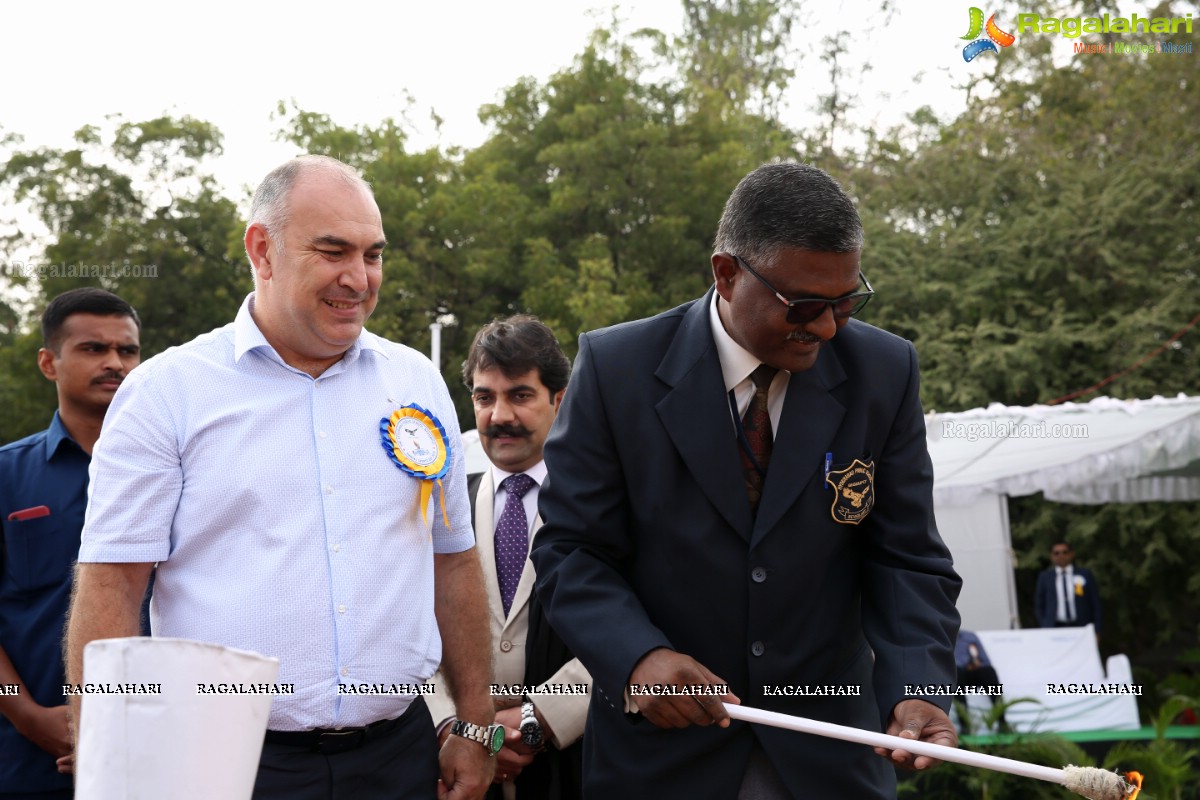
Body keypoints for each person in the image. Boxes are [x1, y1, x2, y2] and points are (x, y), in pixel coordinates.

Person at [65, 155, 496, 800]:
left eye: (373, 255)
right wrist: (110, 770)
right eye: (332, 251)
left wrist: (476, 723)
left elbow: (453, 562)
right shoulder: (166, 393)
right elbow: (111, 588)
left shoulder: (415, 382)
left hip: (399, 756)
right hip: (221, 763)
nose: (358, 278)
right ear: (262, 250)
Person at [530, 162, 962, 798]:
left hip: (831, 759)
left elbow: (907, 558)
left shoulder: (884, 372)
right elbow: (571, 550)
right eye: (806, 306)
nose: (826, 328)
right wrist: (639, 657)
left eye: (846, 303)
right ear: (726, 274)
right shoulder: (616, 369)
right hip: (662, 764)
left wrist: (918, 686)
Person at [427, 315, 588, 800]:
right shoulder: (442, 509)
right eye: (484, 397)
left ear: (558, 400)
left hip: (571, 770)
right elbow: (410, 625)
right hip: (457, 772)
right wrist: (451, 727)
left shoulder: (599, 508)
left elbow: (633, 623)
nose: (499, 415)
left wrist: (537, 722)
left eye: (519, 395)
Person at [0, 287, 141, 799]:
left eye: (127, 350)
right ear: (48, 363)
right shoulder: (6, 475)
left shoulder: (178, 474)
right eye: (93, 348)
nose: (114, 363)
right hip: (33, 759)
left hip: (159, 745)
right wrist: (27, 713)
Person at [1034, 539, 1102, 635]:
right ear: (1051, 556)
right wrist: (1044, 624)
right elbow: (1040, 604)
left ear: (1071, 554)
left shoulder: (1085, 574)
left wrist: (1096, 630)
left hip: (1082, 626)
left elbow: (1095, 603)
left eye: (1065, 552)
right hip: (1054, 627)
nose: (1061, 556)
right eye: (1056, 553)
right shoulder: (1045, 577)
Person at [952, 630, 1007, 735]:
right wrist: (965, 664)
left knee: (989, 671)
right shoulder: (943, 637)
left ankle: (1002, 721)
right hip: (957, 672)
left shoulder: (970, 636)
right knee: (956, 673)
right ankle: (965, 724)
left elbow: (985, 660)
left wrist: (976, 664)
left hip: (974, 670)